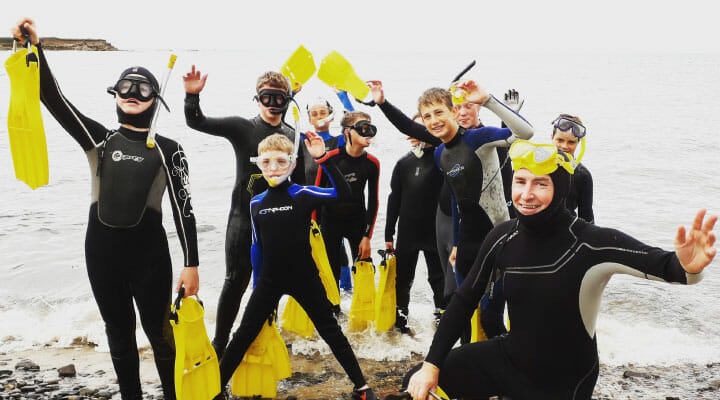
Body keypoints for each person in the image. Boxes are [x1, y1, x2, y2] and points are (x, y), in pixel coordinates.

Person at [403, 140, 716, 400]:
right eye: (521, 181)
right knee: (418, 380)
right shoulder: (503, 236)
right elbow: (464, 299)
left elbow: (664, 265)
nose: (526, 194)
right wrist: (431, 363)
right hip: (509, 361)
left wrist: (688, 266)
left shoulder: (590, 243)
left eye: (541, 184)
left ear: (561, 187)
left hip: (563, 383)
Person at [14, 18, 201, 400]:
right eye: (126, 86)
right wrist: (36, 49)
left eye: (143, 87)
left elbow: (185, 210)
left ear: (155, 98)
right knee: (118, 331)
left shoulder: (168, 148)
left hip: (150, 256)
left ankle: (173, 395)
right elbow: (54, 100)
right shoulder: (99, 139)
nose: (133, 92)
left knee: (160, 331)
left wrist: (192, 263)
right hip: (102, 254)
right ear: (115, 93)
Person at [218, 133, 378, 400]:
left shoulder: (302, 194)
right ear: (258, 164)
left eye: (280, 162)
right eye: (266, 162)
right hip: (268, 282)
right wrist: (258, 288)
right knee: (244, 332)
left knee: (331, 331)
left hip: (305, 279)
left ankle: (361, 386)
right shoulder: (256, 203)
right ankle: (217, 387)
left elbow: (343, 193)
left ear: (292, 164)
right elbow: (256, 247)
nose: (273, 168)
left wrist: (322, 159)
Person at [368, 80, 533, 338]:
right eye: (427, 116)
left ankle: (509, 366)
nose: (433, 120)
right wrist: (382, 102)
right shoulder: (440, 153)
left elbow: (526, 134)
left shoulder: (479, 138)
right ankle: (470, 369)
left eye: (439, 112)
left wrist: (488, 100)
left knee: (491, 317)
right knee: (462, 318)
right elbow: (459, 203)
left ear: (454, 112)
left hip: (497, 241)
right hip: (466, 247)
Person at [183, 65, 304, 358]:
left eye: (279, 99)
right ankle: (220, 344)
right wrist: (192, 97)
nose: (273, 105)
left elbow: (299, 186)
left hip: (277, 224)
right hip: (243, 219)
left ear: (288, 101)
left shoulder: (293, 135)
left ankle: (262, 337)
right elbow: (197, 122)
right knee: (235, 281)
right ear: (257, 99)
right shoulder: (243, 128)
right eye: (266, 98)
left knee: (270, 285)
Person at [385, 129, 446, 333]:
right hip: (407, 232)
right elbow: (394, 199)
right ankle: (401, 323)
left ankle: (441, 319)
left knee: (438, 278)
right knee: (402, 279)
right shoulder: (404, 163)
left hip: (435, 231)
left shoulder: (442, 159)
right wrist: (388, 233)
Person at [315, 111, 380, 290]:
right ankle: (333, 312)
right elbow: (317, 194)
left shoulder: (372, 163)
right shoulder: (330, 159)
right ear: (347, 132)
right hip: (330, 223)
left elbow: (374, 201)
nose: (368, 133)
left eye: (370, 128)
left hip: (357, 223)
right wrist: (315, 230)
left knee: (364, 270)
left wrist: (367, 236)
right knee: (330, 272)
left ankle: (364, 315)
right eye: (362, 128)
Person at [551, 113, 594, 223]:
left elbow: (587, 215)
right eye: (560, 140)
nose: (565, 146)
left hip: (566, 232)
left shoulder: (583, 175)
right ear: (552, 138)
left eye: (571, 142)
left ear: (578, 143)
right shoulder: (536, 164)